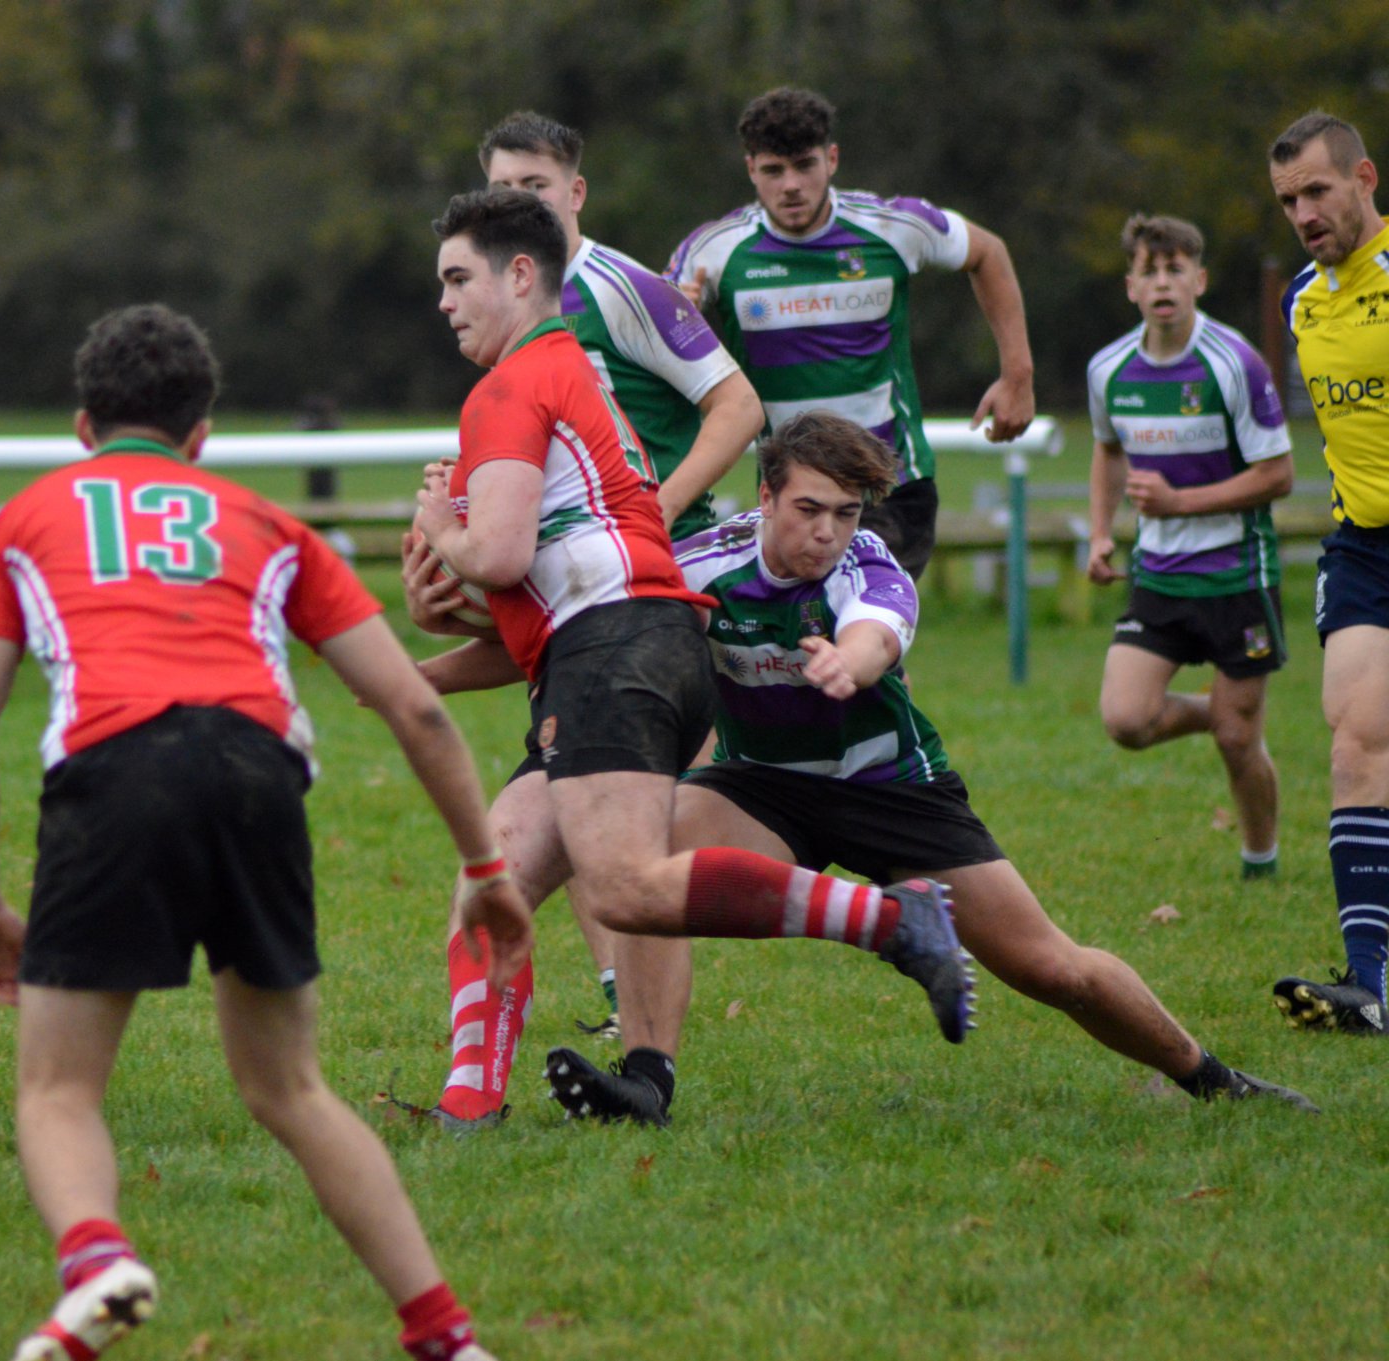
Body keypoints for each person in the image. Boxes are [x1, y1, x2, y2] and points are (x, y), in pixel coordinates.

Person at [0, 303, 527, 1361]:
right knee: (289, 1087)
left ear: (82, 427)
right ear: (200, 434)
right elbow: (418, 708)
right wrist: (485, 864)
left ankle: (98, 1260)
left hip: (114, 775)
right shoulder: (266, 523)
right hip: (259, 771)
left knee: (60, 1088)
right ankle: (444, 1335)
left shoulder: (24, 519)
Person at [547, 410, 1311, 1118]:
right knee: (641, 870)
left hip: (892, 789)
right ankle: (648, 1080)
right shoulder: (700, 563)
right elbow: (601, 612)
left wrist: (850, 659)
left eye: (845, 514)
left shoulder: (868, 566)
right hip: (762, 787)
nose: (827, 533)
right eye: (808, 509)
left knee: (1051, 968)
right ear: (766, 495)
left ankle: (1211, 1077)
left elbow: (876, 629)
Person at [412, 189, 973, 1131]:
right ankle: (468, 1106)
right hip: (635, 647)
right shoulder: (576, 379)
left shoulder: (508, 387)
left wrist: (441, 527)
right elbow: (551, 573)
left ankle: (894, 919)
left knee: (627, 884)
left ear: (519, 275)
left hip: (613, 655)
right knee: (495, 887)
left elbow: (504, 558)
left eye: (457, 278)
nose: (445, 301)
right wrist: (419, 654)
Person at [412, 110, 766, 1045]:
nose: (517, 204)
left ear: (574, 193)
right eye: (501, 188)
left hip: (649, 578)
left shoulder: (622, 289)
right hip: (579, 582)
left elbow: (739, 403)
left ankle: (657, 1039)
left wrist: (653, 508)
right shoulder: (502, 329)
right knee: (581, 809)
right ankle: (624, 1025)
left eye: (534, 187)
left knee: (630, 841)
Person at [666, 86, 1036, 579]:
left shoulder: (892, 227)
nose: (791, 185)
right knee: (814, 647)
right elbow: (654, 338)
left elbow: (988, 252)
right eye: (774, 170)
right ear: (751, 169)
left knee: (857, 624)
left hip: (887, 483)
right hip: (789, 492)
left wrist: (1018, 374)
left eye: (805, 165)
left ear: (832, 159)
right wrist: (678, 319)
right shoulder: (712, 251)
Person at [1085, 213, 1293, 880]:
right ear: (1131, 287)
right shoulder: (1109, 369)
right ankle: (1224, 712)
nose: (1163, 282)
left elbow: (1278, 475)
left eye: (1176, 269)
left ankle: (1260, 860)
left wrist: (1181, 503)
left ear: (1199, 280)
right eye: (1150, 270)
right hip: (1160, 576)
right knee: (1125, 719)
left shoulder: (1236, 363)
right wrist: (1099, 531)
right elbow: (1109, 451)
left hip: (1238, 574)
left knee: (1240, 744)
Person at [1268, 110, 1389, 1035]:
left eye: (1316, 190)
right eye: (1287, 201)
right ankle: (1371, 982)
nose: (1304, 212)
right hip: (1363, 546)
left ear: (1363, 180)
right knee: (1354, 738)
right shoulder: (1300, 302)